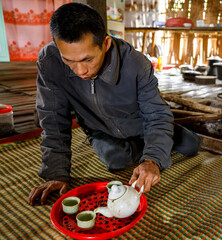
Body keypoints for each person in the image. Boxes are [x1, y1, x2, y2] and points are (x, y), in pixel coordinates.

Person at [28, 3, 201, 205]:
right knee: (116, 160)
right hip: (100, 129)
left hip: (139, 124)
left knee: (192, 145)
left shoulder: (136, 64)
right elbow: (53, 120)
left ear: (106, 43)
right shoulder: (50, 62)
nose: (80, 70)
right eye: (69, 61)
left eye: (87, 59)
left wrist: (152, 159)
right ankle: (155, 141)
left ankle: (159, 138)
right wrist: (55, 173)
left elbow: (155, 114)